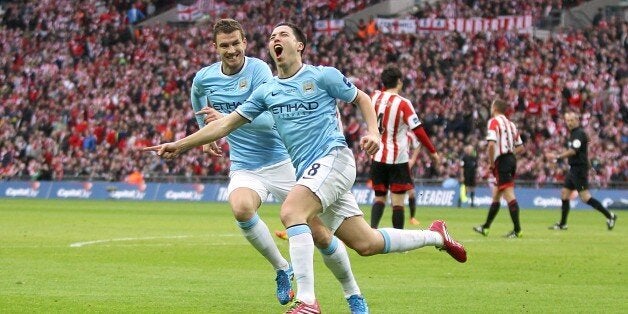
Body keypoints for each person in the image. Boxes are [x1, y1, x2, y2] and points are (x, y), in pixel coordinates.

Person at [143, 22, 466, 313]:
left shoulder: (322, 75)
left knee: (292, 212)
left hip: (334, 159)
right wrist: (182, 144)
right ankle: (436, 236)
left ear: (300, 45)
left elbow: (363, 99)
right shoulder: (266, 92)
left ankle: (308, 301)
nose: (275, 38)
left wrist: (373, 131)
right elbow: (226, 125)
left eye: (283, 34)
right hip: (308, 173)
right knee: (366, 243)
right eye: (271, 36)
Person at [189, 19, 368, 312]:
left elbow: (269, 119)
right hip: (245, 165)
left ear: (245, 42)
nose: (231, 50)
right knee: (241, 208)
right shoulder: (204, 78)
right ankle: (283, 269)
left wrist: (223, 118)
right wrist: (204, 132)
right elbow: (197, 98)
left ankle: (353, 293)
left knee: (322, 234)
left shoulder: (260, 70)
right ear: (215, 47)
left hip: (281, 161)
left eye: (236, 43)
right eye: (225, 45)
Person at [369, 65, 439, 229]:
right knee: (397, 202)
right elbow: (418, 131)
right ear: (399, 82)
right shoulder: (403, 103)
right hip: (397, 159)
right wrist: (433, 151)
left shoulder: (374, 97)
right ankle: (399, 241)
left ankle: (372, 231)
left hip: (377, 157)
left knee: (379, 198)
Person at [546, 112, 617, 230]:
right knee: (564, 193)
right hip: (574, 168)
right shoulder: (574, 133)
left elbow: (573, 151)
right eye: (567, 120)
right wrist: (590, 167)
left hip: (579, 169)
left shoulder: (579, 133)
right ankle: (563, 224)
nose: (569, 123)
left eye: (571, 120)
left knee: (585, 198)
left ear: (577, 120)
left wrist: (557, 157)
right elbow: (584, 153)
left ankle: (610, 216)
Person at [473, 99, 524, 238]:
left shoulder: (493, 121)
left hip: (501, 161)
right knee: (496, 194)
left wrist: (491, 163)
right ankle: (486, 227)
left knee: (508, 194)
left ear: (494, 108)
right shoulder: (511, 124)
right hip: (511, 160)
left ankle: (517, 230)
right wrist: (510, 153)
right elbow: (521, 147)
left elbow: (490, 145)